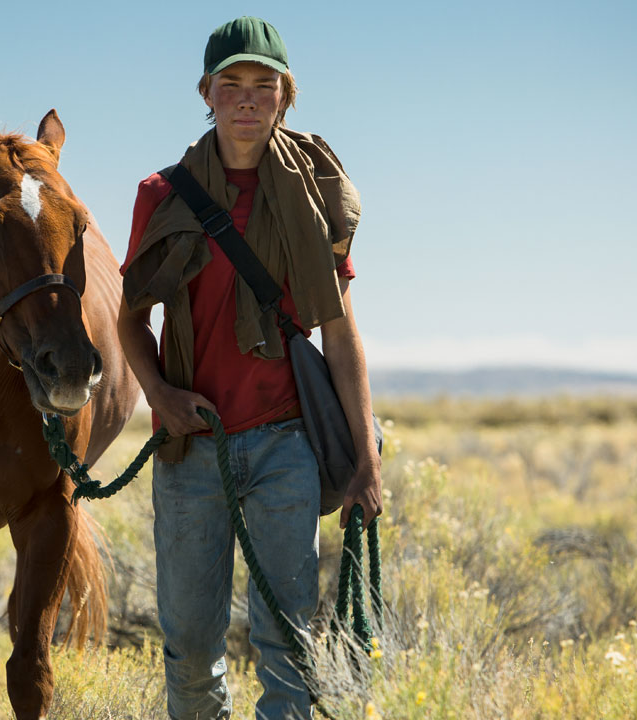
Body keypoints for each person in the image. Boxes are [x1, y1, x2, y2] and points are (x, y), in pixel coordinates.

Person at [116, 16, 382, 720]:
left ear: (285, 96)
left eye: (263, 86)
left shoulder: (317, 188)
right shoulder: (161, 194)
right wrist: (160, 394)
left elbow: (340, 332)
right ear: (205, 92)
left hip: (286, 445)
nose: (246, 100)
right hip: (192, 447)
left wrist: (366, 458)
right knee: (191, 650)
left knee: (290, 648)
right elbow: (129, 318)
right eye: (230, 85)